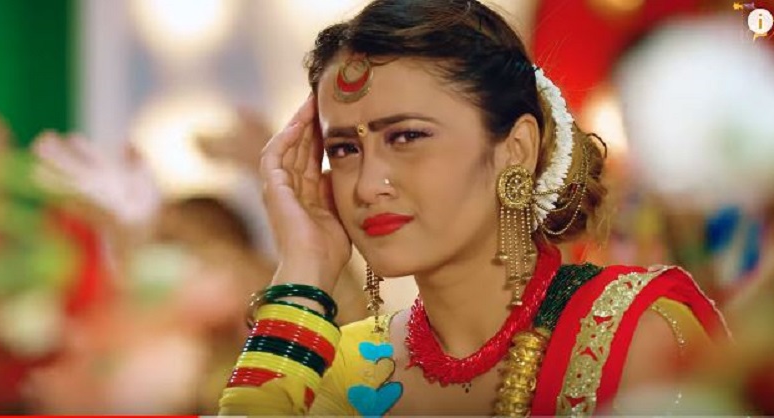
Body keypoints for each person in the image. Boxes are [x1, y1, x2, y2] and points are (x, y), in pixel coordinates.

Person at [218, 0, 727, 415]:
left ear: (515, 149)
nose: (368, 186)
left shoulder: (631, 336)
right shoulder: (347, 369)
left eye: (407, 136)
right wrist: (305, 268)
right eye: (345, 149)